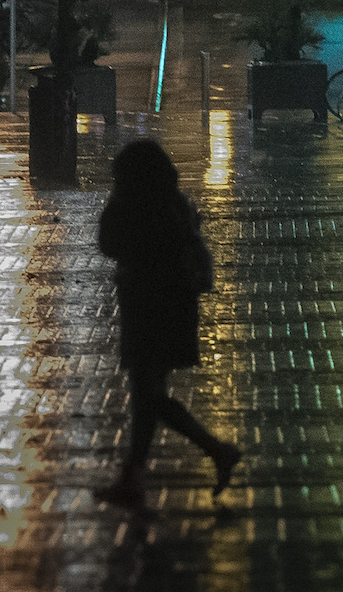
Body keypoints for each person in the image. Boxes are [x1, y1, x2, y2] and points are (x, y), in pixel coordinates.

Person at [95, 138, 240, 508]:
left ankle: (216, 450)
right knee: (147, 395)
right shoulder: (175, 205)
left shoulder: (135, 207)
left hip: (146, 307)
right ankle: (133, 477)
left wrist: (116, 199)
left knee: (148, 395)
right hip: (173, 306)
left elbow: (108, 242)